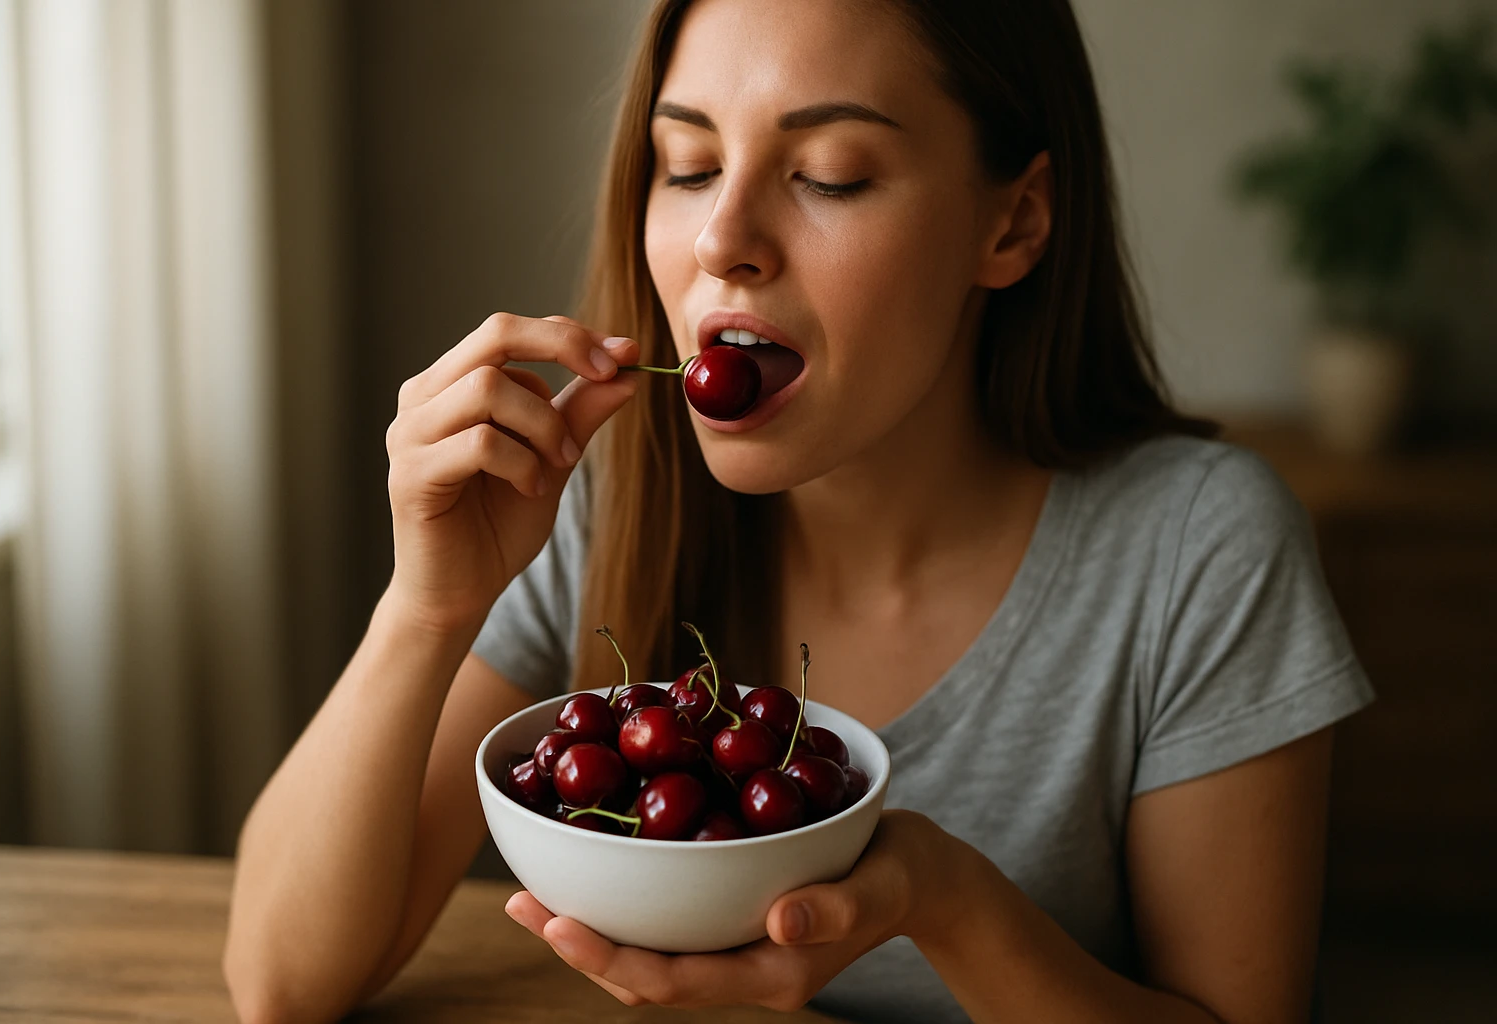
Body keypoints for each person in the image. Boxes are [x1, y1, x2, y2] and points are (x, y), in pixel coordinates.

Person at [223, 1, 1375, 1021]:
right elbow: (281, 980)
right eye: (686, 164)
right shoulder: (606, 494)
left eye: (827, 173)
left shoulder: (1198, 551)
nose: (723, 242)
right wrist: (427, 604)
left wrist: (942, 901)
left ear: (1012, 224)